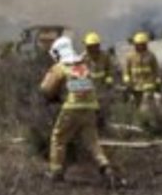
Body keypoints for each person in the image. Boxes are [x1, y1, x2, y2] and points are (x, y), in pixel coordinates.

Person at [39, 35, 116, 184]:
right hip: (90, 108)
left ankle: (56, 173)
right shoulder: (83, 65)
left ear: (59, 53)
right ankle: (106, 168)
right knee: (92, 141)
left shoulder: (60, 67)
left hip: (72, 108)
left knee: (58, 138)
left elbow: (45, 89)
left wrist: (53, 96)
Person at [122, 31, 162, 115]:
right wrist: (127, 83)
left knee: (145, 109)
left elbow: (156, 70)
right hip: (135, 87)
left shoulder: (151, 55)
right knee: (136, 108)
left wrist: (158, 83)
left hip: (148, 87)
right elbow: (126, 71)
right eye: (138, 44)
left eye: (142, 44)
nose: (140, 46)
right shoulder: (130, 56)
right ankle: (140, 123)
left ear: (145, 44)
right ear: (135, 44)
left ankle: (146, 122)